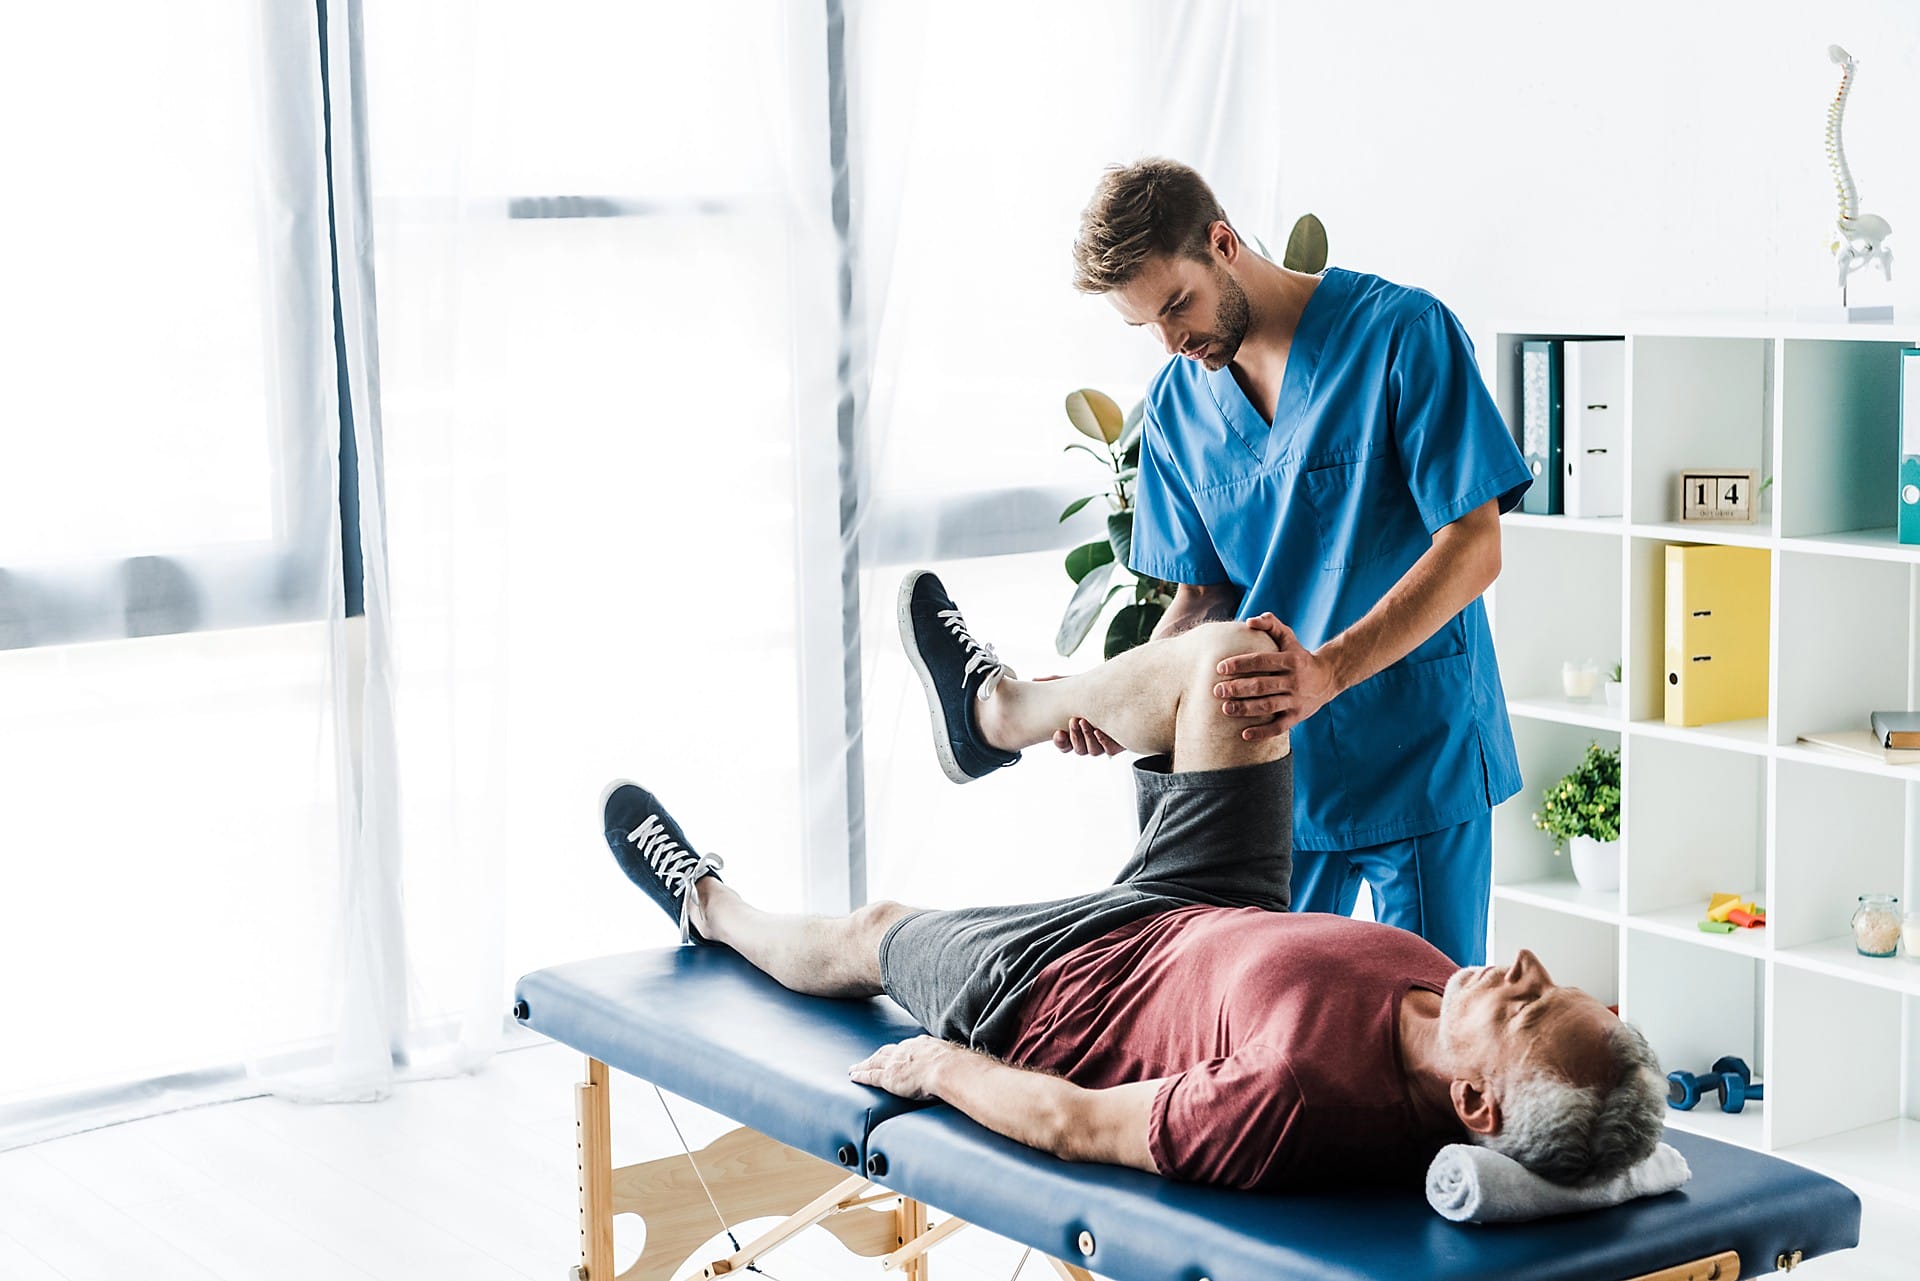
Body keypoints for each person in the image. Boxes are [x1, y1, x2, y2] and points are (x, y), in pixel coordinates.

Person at [600, 571, 1664, 1192]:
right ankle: (999, 712)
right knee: (1240, 664)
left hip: (1058, 989)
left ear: (1474, 1100)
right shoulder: (1450, 995)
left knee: (871, 930)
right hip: (1213, 899)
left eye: (1528, 1006)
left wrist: (939, 1066)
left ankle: (706, 902)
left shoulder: (1291, 1098)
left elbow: (1078, 1124)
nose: (1526, 964)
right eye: (1553, 983)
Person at [1057, 159, 1535, 966]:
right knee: (1279, 1010)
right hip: (1280, 769)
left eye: (1177, 305)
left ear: (1222, 243)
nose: (1173, 343)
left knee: (1436, 1011)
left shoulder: (1403, 334)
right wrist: (1118, 692)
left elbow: (1474, 545)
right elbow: (1203, 597)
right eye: (1146, 327)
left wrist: (1329, 671)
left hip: (1420, 748)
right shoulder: (1177, 406)